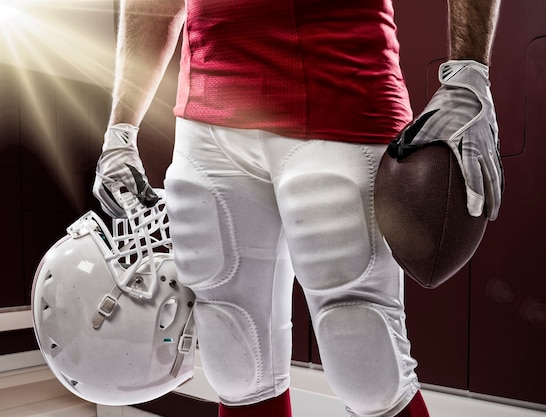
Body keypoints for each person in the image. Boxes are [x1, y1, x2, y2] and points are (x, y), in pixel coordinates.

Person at [93, 0, 503, 416]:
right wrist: (121, 128)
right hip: (208, 119)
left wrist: (470, 72)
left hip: (340, 103)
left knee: (368, 367)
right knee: (236, 365)